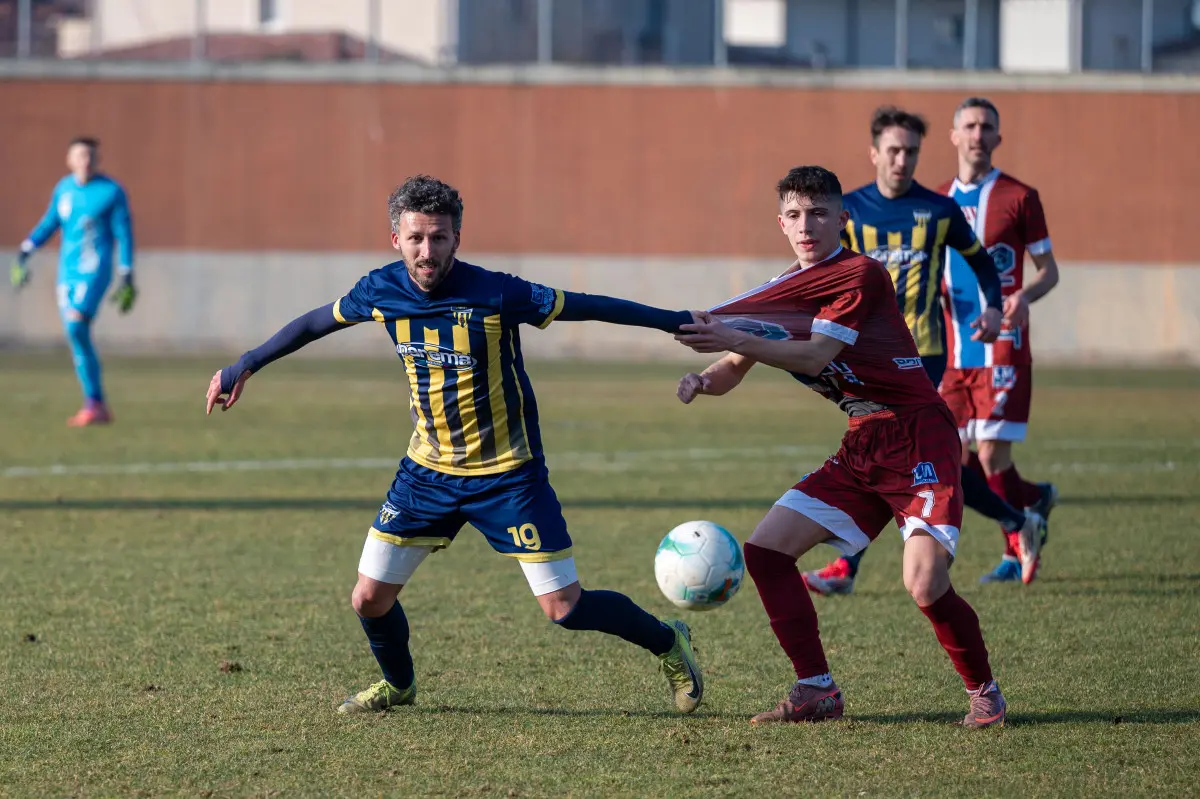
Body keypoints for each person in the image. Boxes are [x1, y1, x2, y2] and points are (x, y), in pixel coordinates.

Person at [204, 175, 703, 715]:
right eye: (416, 237)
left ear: (457, 238)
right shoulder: (380, 289)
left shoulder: (496, 292)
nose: (427, 251)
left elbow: (586, 305)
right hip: (426, 474)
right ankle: (399, 685)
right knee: (368, 599)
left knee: (564, 608)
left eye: (439, 238)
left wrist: (673, 322)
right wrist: (243, 365)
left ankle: (668, 643)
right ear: (395, 237)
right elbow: (313, 324)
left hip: (508, 474)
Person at [674, 165, 1007, 727]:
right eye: (796, 215)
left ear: (842, 218)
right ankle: (816, 690)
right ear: (781, 222)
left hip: (917, 433)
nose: (808, 225)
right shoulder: (782, 293)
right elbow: (735, 364)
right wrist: (704, 381)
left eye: (820, 213)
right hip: (864, 443)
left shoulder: (861, 275)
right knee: (766, 550)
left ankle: (985, 692)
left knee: (924, 583)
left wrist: (730, 331)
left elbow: (812, 357)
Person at [801, 107, 1045, 595]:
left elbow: (983, 266)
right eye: (893, 150)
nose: (901, 160)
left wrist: (994, 309)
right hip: (864, 353)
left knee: (889, 452)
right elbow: (820, 268)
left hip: (924, 354)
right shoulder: (850, 211)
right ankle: (1016, 521)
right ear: (874, 153)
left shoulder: (938, 210)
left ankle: (847, 566)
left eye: (911, 151)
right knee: (911, 460)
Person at [938, 97, 1061, 584]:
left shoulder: (1019, 196)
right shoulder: (936, 200)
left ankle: (1016, 548)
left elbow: (1048, 271)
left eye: (986, 126)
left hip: (1004, 344)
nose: (977, 134)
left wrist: (1024, 297)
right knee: (956, 456)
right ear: (954, 136)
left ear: (997, 138)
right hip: (951, 350)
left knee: (990, 454)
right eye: (968, 125)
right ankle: (1031, 499)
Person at [11, 136, 137, 426]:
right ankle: (96, 404)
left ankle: (95, 402)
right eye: (80, 156)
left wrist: (126, 272)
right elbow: (50, 223)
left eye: (91, 156)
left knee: (77, 323)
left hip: (96, 270)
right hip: (67, 273)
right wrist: (25, 250)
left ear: (97, 159)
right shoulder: (64, 189)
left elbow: (124, 233)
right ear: (70, 160)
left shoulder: (111, 191)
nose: (86, 161)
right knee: (75, 334)